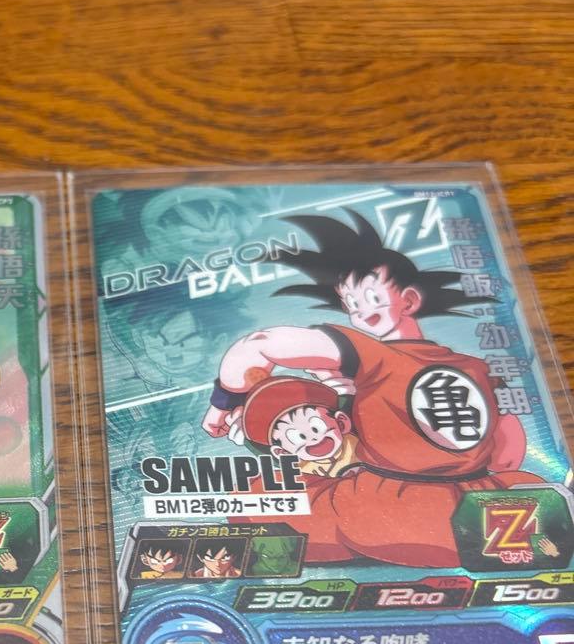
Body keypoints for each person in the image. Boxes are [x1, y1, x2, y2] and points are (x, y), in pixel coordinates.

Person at [202, 210, 541, 567]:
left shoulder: (374, 357)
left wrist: (222, 406)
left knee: (255, 495)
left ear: (409, 301)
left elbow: (257, 345)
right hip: (481, 510)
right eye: (352, 305)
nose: (362, 314)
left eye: (372, 299)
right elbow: (506, 451)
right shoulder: (476, 367)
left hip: (395, 514)